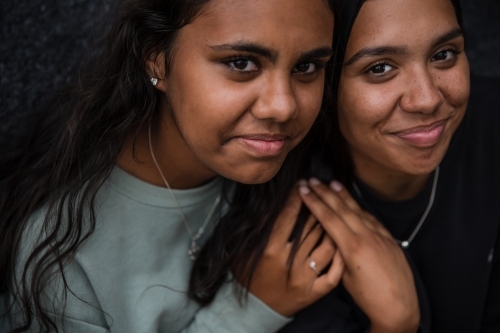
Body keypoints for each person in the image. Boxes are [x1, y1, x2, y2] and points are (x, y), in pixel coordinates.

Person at [0, 0, 344, 332]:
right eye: (241, 63)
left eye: (306, 67)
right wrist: (251, 311)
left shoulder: (312, 173)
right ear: (156, 60)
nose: (283, 107)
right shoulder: (60, 247)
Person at [271, 0, 499, 332]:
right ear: (323, 82)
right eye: (380, 68)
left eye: (443, 54)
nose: (427, 99)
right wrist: (395, 324)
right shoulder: (283, 214)